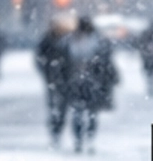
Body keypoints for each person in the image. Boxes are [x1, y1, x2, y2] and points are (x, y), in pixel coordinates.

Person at [65, 14, 118, 152]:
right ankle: (84, 139)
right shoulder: (78, 41)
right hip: (83, 82)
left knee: (86, 113)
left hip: (85, 82)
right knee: (86, 113)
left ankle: (84, 140)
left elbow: (105, 63)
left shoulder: (74, 41)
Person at [35, 14, 73, 144]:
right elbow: (39, 57)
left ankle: (58, 129)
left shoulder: (67, 40)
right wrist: (46, 71)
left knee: (61, 106)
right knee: (53, 106)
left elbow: (71, 58)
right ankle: (54, 130)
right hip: (52, 78)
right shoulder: (47, 40)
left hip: (64, 78)